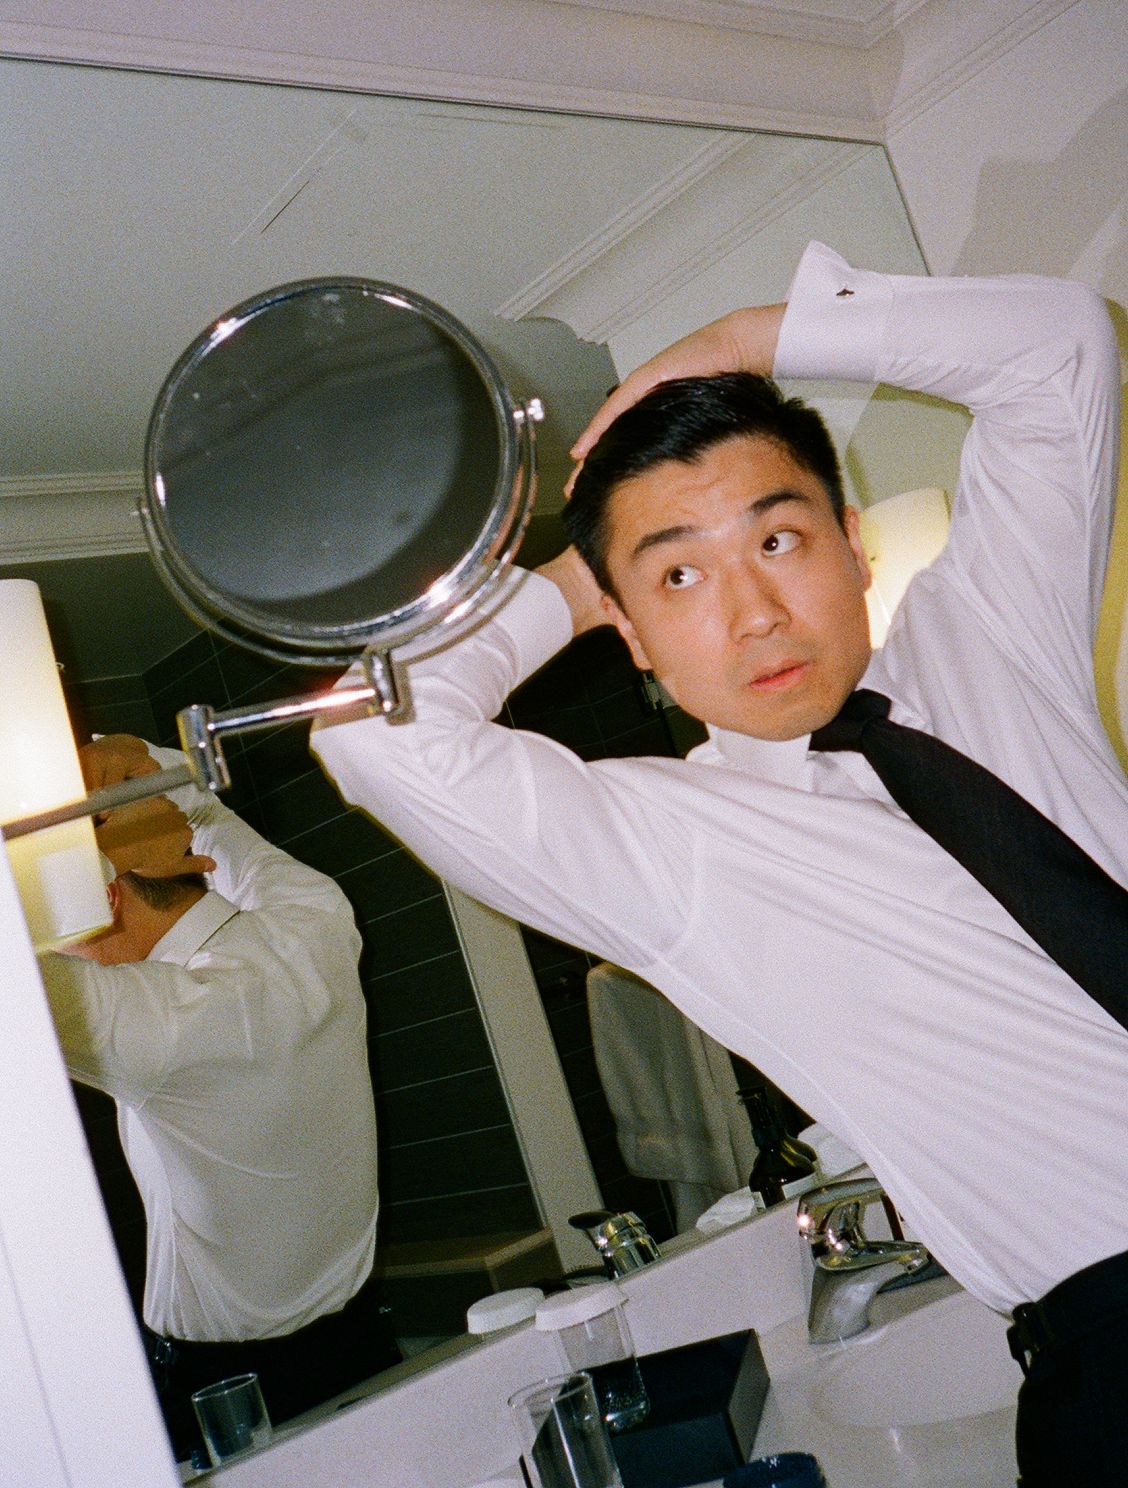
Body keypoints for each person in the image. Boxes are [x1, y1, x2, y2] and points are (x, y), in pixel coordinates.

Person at [309, 241, 1128, 1483]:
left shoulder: (989, 638)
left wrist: (751, 338)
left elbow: (1058, 345)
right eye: (682, 576)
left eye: (779, 541)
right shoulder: (668, 849)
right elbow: (371, 735)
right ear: (631, 635)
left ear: (853, 542)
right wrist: (580, 578)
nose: (753, 613)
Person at [38, 734, 398, 1461]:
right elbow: (208, 813)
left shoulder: (159, 1026)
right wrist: (126, 757)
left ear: (106, 899)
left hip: (231, 1395)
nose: (60, 949)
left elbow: (14, 987)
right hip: (363, 1350)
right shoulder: (313, 917)